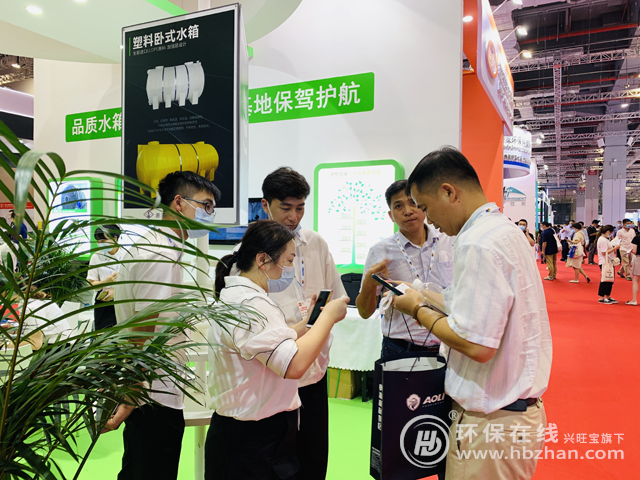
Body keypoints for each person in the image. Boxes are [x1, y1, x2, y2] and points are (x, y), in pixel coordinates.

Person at [393, 147, 551, 480]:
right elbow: (478, 309)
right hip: (512, 418)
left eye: (425, 207)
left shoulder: (476, 242)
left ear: (448, 192)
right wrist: (422, 293)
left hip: (490, 421)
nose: (427, 219)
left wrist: (417, 309)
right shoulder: (503, 230)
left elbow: (476, 344)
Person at [206, 220, 349, 480]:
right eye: (289, 260)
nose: (291, 269)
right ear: (263, 260)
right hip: (253, 439)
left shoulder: (239, 295)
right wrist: (327, 318)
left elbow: (272, 342)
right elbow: (293, 365)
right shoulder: (251, 303)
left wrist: (309, 324)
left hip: (247, 432)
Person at [106, 171, 220, 480]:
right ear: (179, 203)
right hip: (153, 391)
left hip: (152, 387)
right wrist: (131, 392)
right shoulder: (160, 253)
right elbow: (144, 328)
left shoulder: (158, 245)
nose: (210, 214)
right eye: (206, 205)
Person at [259, 167, 346, 480]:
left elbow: (339, 299)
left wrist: (324, 314)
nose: (293, 217)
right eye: (286, 208)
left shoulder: (315, 243)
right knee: (276, 461)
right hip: (273, 375)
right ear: (266, 205)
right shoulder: (250, 251)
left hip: (314, 370)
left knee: (312, 457)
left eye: (300, 208)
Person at [357, 179, 454, 359]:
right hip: (400, 349)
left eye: (413, 203)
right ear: (391, 215)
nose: (408, 211)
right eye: (399, 206)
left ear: (423, 205)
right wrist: (369, 285)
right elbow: (364, 312)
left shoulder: (449, 240)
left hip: (448, 346)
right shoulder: (380, 251)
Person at [87, 225, 123, 330]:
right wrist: (105, 282)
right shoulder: (96, 256)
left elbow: (135, 282)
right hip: (103, 301)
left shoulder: (128, 255)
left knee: (123, 335)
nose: (100, 244)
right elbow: (91, 284)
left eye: (103, 241)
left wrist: (116, 291)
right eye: (98, 241)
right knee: (102, 336)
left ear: (115, 238)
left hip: (123, 300)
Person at [597, 225, 620, 305]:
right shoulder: (603, 240)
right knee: (605, 279)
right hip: (605, 262)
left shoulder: (604, 239)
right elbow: (604, 252)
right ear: (608, 232)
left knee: (610, 279)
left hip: (608, 261)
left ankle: (607, 296)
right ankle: (601, 297)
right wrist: (615, 248)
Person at [626, 230, 640, 306]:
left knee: (635, 280)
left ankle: (634, 300)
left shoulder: (637, 238)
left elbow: (634, 250)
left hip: (638, 259)